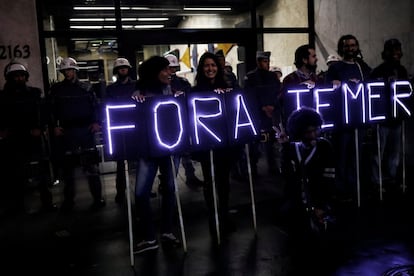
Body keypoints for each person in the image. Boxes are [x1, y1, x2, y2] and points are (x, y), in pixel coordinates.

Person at [131, 56, 181, 254]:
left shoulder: (175, 88)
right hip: (148, 148)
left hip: (170, 146)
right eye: (166, 69)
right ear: (155, 72)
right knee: (141, 193)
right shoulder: (139, 91)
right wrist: (136, 99)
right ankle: (150, 236)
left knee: (169, 189)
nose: (170, 73)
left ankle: (167, 231)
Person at [191, 52, 239, 242]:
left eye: (213, 65)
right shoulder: (195, 91)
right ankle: (213, 216)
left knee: (224, 181)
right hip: (206, 141)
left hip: (224, 143)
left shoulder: (227, 87)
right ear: (202, 69)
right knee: (210, 182)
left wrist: (227, 94)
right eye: (206, 66)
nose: (210, 69)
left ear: (218, 68)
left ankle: (224, 213)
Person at [48, 57, 105, 212]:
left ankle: (98, 198)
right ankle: (68, 201)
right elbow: (51, 111)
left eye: (71, 70)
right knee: (68, 170)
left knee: (92, 167)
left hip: (86, 131)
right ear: (62, 72)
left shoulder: (86, 87)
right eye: (65, 70)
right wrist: (54, 127)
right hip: (67, 132)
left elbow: (96, 107)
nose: (68, 73)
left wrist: (97, 122)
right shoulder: (56, 90)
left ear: (75, 71)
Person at [0, 61, 56, 214]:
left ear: (26, 77)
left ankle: (47, 203)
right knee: (15, 175)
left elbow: (44, 113)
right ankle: (17, 207)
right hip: (13, 140)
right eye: (15, 76)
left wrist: (40, 127)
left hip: (33, 138)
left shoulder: (34, 93)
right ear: (9, 78)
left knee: (41, 174)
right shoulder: (3, 97)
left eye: (21, 76)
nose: (19, 79)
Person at [325, 34, 372, 200]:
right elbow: (327, 88)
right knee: (342, 156)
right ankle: (341, 189)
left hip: (358, 118)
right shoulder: (335, 68)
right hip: (342, 120)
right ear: (341, 48)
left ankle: (353, 188)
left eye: (353, 45)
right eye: (346, 46)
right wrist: (337, 84)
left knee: (355, 156)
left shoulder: (362, 65)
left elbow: (371, 82)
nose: (350, 48)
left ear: (357, 47)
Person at [278, 107, 336, 233]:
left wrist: (321, 205)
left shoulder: (324, 146)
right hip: (296, 206)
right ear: (299, 132)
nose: (313, 134)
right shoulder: (293, 148)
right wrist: (285, 147)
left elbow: (329, 178)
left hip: (318, 202)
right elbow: (287, 175)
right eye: (308, 132)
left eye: (315, 130)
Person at [369, 38, 408, 194]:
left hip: (397, 118)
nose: (395, 53)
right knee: (378, 152)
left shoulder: (402, 70)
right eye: (392, 50)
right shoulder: (378, 71)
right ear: (385, 52)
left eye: (397, 49)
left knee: (394, 153)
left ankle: (390, 179)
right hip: (383, 119)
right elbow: (372, 92)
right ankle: (377, 181)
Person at [164, 53, 203, 189]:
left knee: (186, 152)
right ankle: (166, 182)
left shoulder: (183, 83)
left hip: (182, 120)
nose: (172, 70)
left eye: (174, 67)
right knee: (169, 157)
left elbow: (191, 100)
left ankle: (190, 177)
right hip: (167, 123)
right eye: (169, 67)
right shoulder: (161, 83)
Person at [244, 51, 282, 176]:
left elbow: (278, 93)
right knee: (255, 142)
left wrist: (273, 106)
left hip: (270, 114)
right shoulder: (250, 77)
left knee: (270, 142)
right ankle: (253, 168)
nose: (267, 64)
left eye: (267, 61)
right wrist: (263, 107)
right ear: (258, 62)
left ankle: (272, 166)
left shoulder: (272, 77)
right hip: (257, 115)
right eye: (264, 61)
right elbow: (249, 96)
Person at [105, 57, 136, 204]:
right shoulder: (110, 89)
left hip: (134, 127)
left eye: (125, 67)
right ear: (116, 71)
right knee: (120, 164)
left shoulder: (137, 86)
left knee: (136, 162)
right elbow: (106, 107)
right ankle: (120, 192)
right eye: (120, 68)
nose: (123, 70)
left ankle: (141, 190)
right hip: (118, 129)